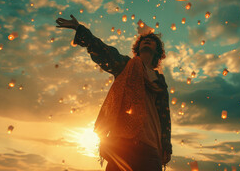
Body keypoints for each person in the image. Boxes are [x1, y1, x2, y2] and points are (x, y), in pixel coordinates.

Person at [56, 15, 172, 171]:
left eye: (152, 41)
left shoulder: (160, 82)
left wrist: (166, 146)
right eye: (144, 40)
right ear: (137, 48)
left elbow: (164, 116)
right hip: (122, 144)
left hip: (150, 147)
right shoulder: (126, 66)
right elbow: (105, 51)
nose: (147, 40)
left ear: (157, 51)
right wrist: (80, 29)